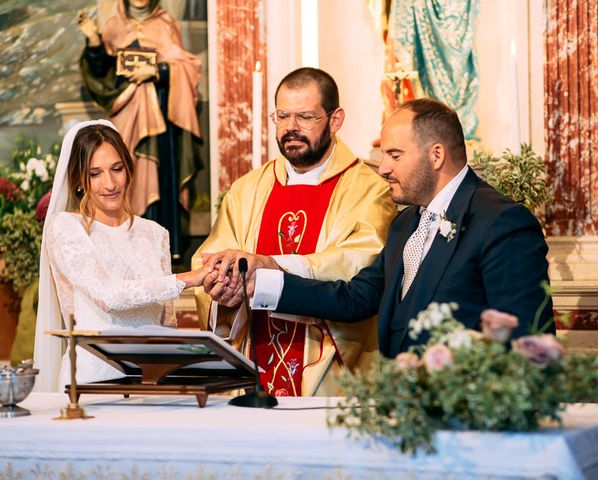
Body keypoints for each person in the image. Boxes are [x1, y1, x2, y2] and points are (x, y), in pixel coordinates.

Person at [245, 98, 554, 358]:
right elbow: (357, 297)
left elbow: (524, 340)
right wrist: (261, 283)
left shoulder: (501, 223)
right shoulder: (405, 223)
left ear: (436, 155)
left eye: (394, 155)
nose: (383, 168)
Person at [193, 68, 397, 396]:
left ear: (335, 119)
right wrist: (224, 290)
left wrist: (271, 266)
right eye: (283, 115)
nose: (291, 128)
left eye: (305, 116)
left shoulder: (369, 190)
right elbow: (212, 263)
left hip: (326, 376)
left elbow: (360, 268)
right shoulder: (247, 190)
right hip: (254, 365)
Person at [33, 120, 211, 392]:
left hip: (149, 381)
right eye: (95, 173)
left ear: (128, 168)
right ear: (79, 179)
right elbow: (109, 296)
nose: (110, 183)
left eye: (117, 169)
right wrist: (189, 278)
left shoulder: (155, 233)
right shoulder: (66, 227)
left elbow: (166, 320)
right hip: (92, 381)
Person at [77, 0, 202, 261]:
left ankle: (162, 251)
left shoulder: (165, 23)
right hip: (126, 114)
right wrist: (94, 40)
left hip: (161, 122)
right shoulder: (114, 26)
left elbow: (188, 68)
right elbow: (101, 72)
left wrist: (156, 71)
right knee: (122, 172)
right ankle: (125, 250)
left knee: (160, 176)